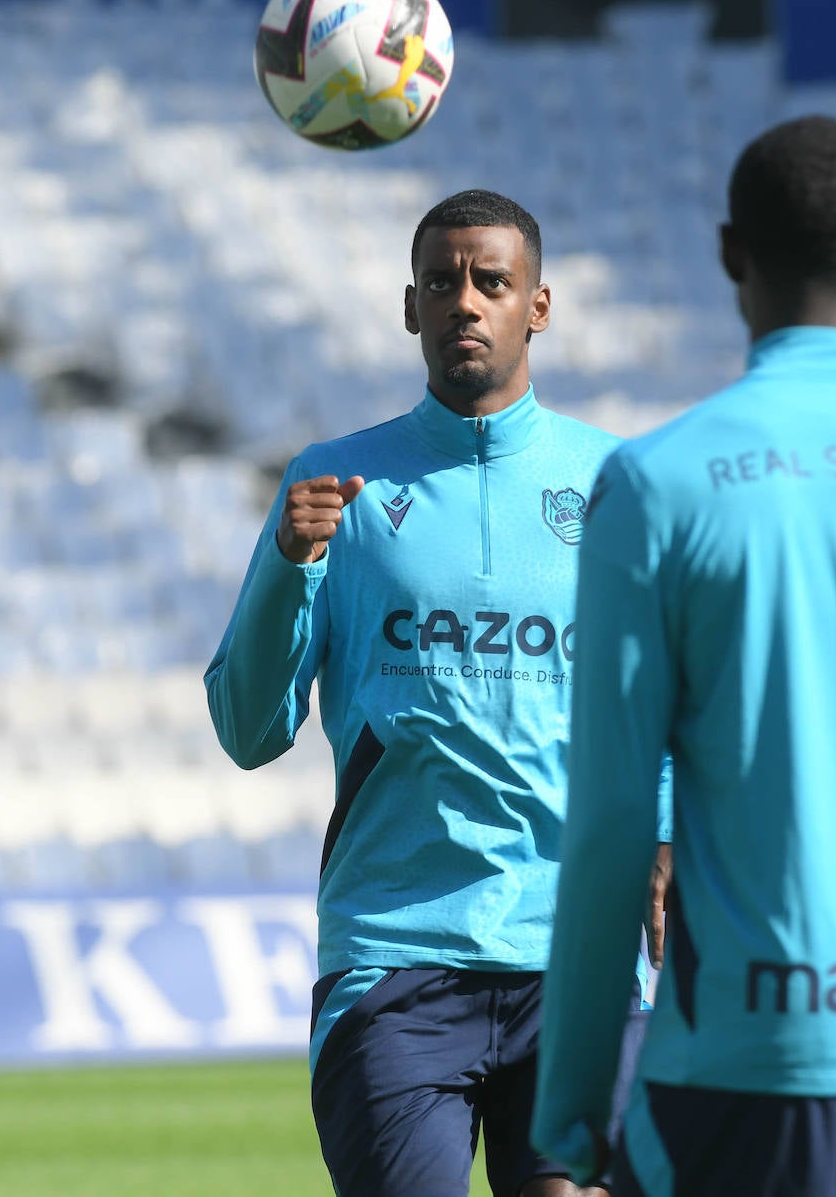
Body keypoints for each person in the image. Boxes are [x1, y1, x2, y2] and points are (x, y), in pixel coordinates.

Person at [205, 188, 671, 1197]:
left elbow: (665, 697)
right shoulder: (337, 489)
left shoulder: (619, 487)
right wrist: (289, 566)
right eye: (441, 282)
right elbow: (248, 729)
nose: (466, 301)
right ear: (409, 307)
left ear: (537, 306)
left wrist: (668, 837)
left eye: (491, 282)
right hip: (396, 957)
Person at [532, 115, 836, 1196]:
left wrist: (575, 1106)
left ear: (730, 253)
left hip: (744, 1056)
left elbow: (615, 823)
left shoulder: (655, 484)